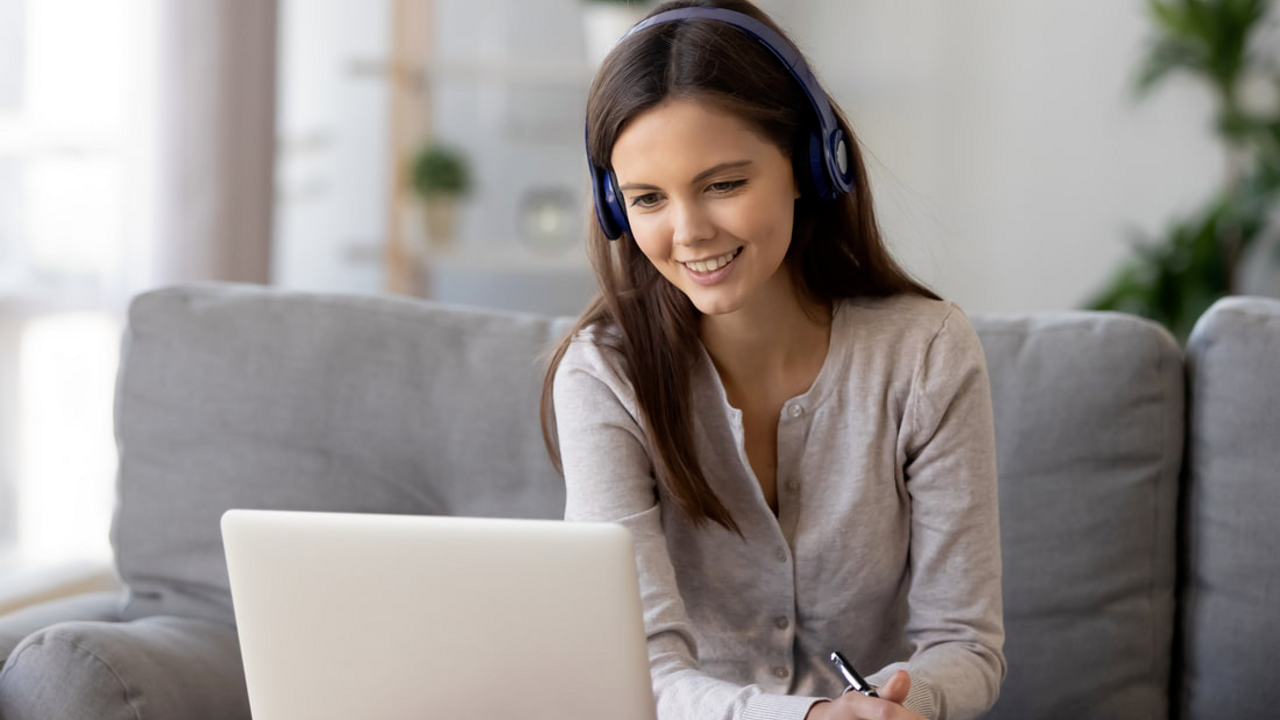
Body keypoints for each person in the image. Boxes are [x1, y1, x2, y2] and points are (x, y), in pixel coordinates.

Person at [540, 2, 1006, 719]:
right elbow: (636, 667)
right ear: (614, 207)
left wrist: (899, 702)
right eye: (647, 199)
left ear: (809, 165)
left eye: (724, 184)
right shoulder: (604, 377)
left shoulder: (926, 355)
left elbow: (965, 642)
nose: (689, 233)